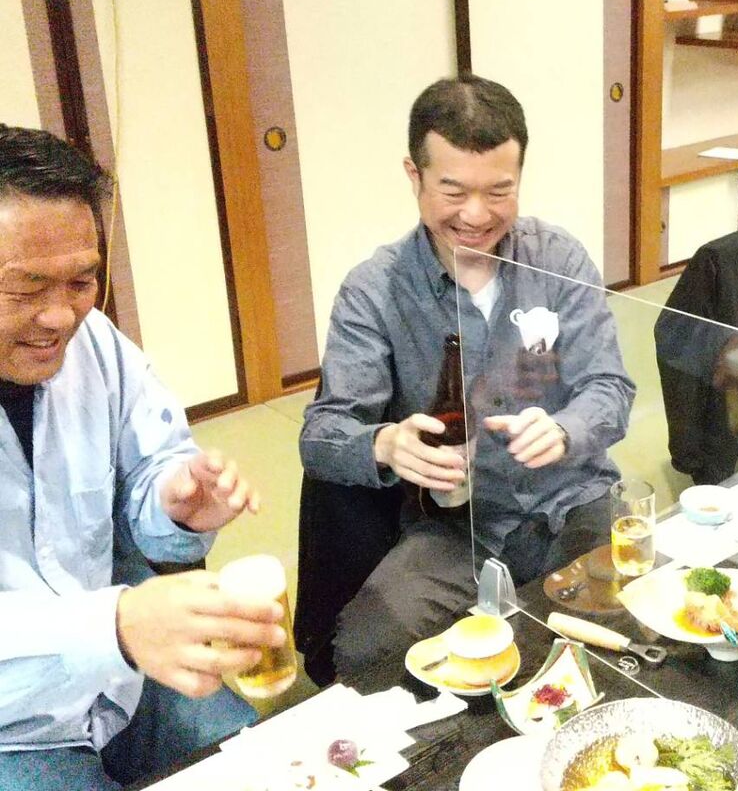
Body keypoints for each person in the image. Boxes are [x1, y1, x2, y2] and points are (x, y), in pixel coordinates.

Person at [299, 75, 635, 680]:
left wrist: (566, 429)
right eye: (452, 190)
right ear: (415, 176)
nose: (476, 216)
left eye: (499, 191)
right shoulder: (375, 291)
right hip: (457, 522)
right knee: (366, 652)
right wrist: (385, 443)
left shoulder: (557, 260)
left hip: (571, 500)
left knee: (632, 627)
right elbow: (322, 435)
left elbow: (610, 387)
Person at [0, 127, 282, 791]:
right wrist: (116, 625)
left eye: (81, 280)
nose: (60, 317)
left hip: (119, 678)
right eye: (26, 289)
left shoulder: (96, 344)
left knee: (262, 771)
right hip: (13, 723)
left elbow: (152, 470)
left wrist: (176, 501)